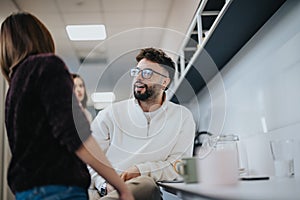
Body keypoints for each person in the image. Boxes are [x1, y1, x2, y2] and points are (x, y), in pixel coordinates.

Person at [0, 12, 134, 200]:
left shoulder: (14, 86)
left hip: (26, 191)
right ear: (41, 36)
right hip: (59, 189)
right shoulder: (47, 65)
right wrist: (122, 187)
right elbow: (75, 134)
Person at [89, 47, 196, 200]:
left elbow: (180, 166)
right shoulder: (110, 114)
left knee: (146, 185)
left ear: (164, 82)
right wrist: (104, 185)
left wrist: (141, 171)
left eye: (147, 73)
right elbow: (91, 159)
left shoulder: (182, 117)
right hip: (104, 191)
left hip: (141, 191)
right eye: (137, 72)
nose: (138, 78)